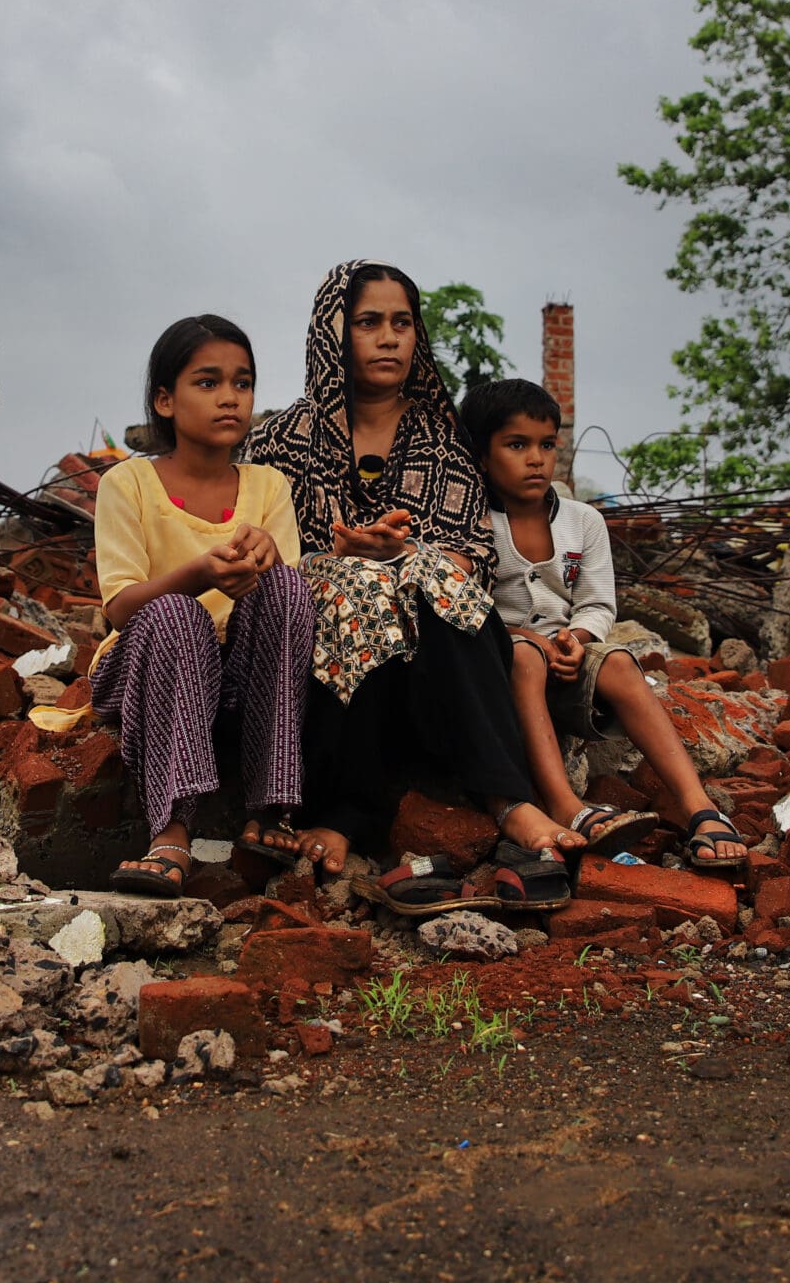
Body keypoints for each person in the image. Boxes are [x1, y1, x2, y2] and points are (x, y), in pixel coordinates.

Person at [242, 261, 582, 906]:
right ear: (333, 332)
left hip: (432, 657)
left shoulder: (443, 437)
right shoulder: (282, 440)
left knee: (425, 570)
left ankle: (508, 799)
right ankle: (345, 810)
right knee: (356, 582)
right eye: (369, 322)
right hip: (324, 642)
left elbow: (475, 555)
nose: (389, 338)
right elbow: (259, 548)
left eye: (402, 323)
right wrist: (337, 553)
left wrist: (403, 553)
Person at [458, 378, 751, 872]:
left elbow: (596, 604)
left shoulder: (584, 521)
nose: (537, 460)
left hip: (565, 659)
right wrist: (522, 638)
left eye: (547, 445)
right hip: (502, 666)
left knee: (617, 661)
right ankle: (565, 804)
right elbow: (465, 607)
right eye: (517, 445)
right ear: (482, 456)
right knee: (525, 656)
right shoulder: (473, 524)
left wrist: (577, 639)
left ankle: (700, 808)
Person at [90, 315, 314, 898]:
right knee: (176, 615)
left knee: (289, 589)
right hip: (145, 666)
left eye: (243, 383)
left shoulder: (269, 486)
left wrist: (266, 558)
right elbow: (120, 609)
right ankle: (170, 831)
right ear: (165, 401)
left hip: (235, 676)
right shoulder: (128, 483)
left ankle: (269, 806)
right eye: (208, 382)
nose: (230, 398)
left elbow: (285, 610)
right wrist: (197, 574)